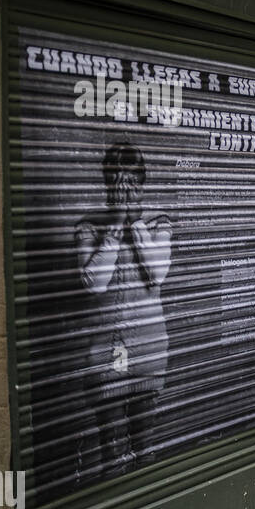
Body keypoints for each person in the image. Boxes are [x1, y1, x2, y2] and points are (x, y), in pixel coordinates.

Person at [74, 141, 173, 480]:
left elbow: (157, 272)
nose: (125, 187)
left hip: (147, 350)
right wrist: (116, 225)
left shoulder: (159, 223)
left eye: (132, 180)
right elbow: (94, 283)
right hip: (106, 354)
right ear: (107, 183)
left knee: (144, 446)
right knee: (112, 450)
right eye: (117, 179)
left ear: (142, 182)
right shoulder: (89, 226)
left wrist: (134, 223)